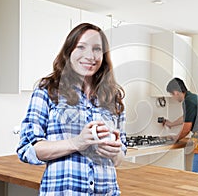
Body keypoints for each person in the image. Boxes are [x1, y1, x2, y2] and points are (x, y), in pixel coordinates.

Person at [16, 23, 127, 195]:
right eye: (81, 47)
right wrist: (76, 143)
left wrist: (114, 152)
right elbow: (27, 149)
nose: (90, 56)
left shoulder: (113, 97)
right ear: (69, 51)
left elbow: (119, 158)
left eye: (97, 49)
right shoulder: (48, 91)